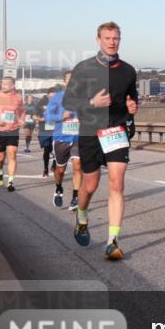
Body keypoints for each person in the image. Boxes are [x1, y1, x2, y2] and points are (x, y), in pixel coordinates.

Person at [62, 21, 139, 260]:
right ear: (98, 40)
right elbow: (68, 104)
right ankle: (82, 216)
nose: (112, 42)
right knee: (91, 185)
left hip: (116, 131)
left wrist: (132, 106)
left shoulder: (128, 70)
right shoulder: (83, 68)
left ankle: (112, 241)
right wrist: (92, 104)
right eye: (107, 38)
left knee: (117, 184)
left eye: (115, 38)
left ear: (119, 40)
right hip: (89, 133)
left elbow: (132, 100)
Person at [46, 72, 82, 210]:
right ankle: (59, 188)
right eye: (69, 79)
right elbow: (48, 116)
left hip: (78, 137)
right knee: (60, 170)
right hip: (61, 137)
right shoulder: (57, 97)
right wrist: (61, 115)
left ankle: (75, 197)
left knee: (78, 165)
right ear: (64, 82)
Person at [37, 87, 57, 177]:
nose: (52, 97)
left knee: (56, 148)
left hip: (56, 129)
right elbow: (34, 115)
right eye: (51, 96)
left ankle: (54, 163)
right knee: (47, 149)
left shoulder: (59, 103)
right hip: (44, 129)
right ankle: (45, 168)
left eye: (54, 96)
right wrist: (40, 119)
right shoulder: (41, 102)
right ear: (48, 95)